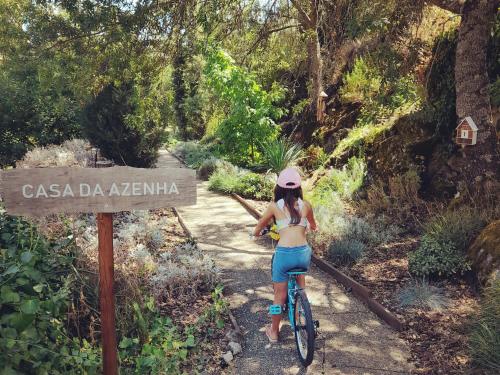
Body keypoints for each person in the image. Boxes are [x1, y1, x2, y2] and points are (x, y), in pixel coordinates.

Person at [252, 167, 317, 343]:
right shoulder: (307, 205)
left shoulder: (274, 206)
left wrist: (258, 233)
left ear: (279, 188)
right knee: (300, 286)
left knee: (279, 296)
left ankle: (273, 331)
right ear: (298, 188)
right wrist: (308, 227)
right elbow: (313, 225)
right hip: (303, 254)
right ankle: (298, 314)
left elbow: (258, 228)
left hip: (284, 255)